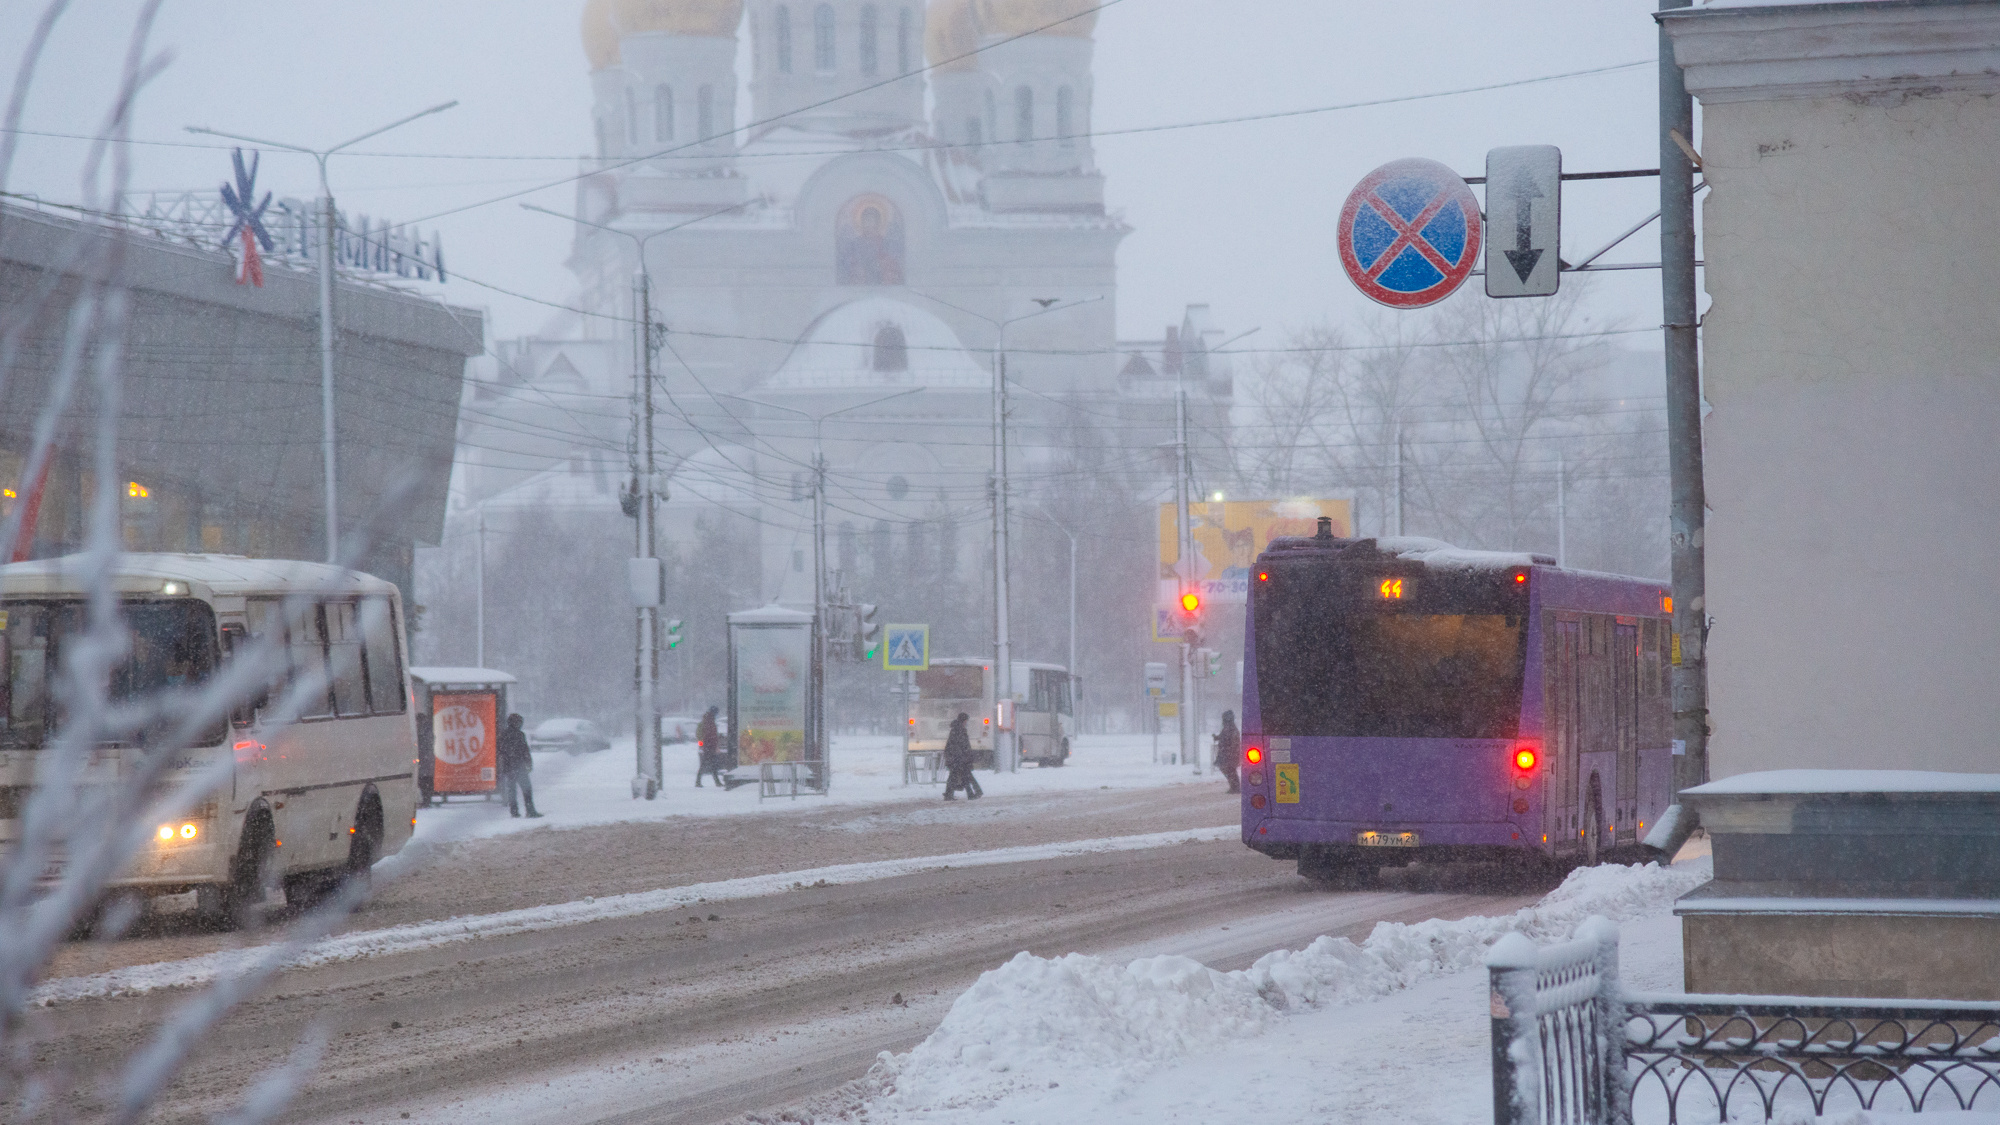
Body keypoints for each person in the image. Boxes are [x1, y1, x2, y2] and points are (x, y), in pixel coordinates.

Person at [497, 713, 542, 818]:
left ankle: (514, 811)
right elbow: (525, 751)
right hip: (519, 766)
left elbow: (499, 750)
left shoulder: (503, 735)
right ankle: (530, 810)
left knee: (511, 790)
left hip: (508, 766)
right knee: (526, 789)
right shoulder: (520, 735)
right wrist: (529, 763)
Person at [941, 711, 983, 801]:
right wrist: (964, 756)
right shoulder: (959, 730)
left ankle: (951, 795)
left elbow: (955, 745)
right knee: (964, 776)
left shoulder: (956, 729)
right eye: (966, 721)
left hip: (957, 758)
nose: (966, 723)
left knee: (958, 776)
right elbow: (962, 745)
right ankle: (973, 793)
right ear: (963, 720)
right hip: (959, 758)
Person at [695, 705, 724, 788]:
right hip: (709, 746)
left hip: (708, 746)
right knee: (711, 764)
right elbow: (711, 735)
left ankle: (700, 781)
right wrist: (714, 745)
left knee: (708, 764)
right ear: (714, 713)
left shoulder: (707, 720)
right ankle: (715, 782)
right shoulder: (709, 721)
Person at [1214, 709, 1242, 794]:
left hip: (1229, 754)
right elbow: (1225, 738)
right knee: (1229, 770)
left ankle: (1235, 787)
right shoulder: (1229, 728)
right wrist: (1217, 738)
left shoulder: (1231, 728)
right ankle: (1234, 786)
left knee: (1230, 770)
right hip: (1227, 753)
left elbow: (1233, 741)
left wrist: (1231, 750)